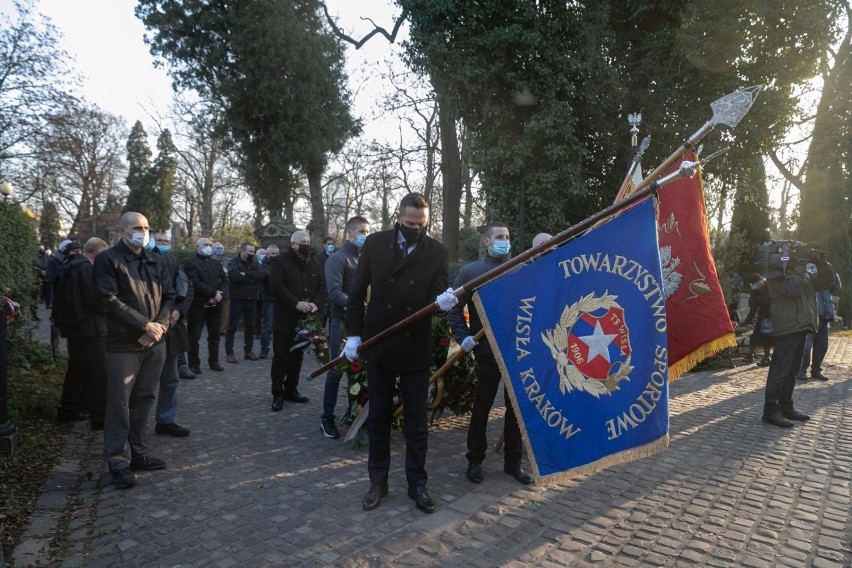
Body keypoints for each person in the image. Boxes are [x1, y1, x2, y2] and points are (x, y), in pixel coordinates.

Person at [343, 193, 457, 514]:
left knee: (417, 423)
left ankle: (417, 484)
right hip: (379, 343)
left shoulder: (437, 251)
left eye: (421, 224)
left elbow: (438, 295)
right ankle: (377, 481)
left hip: (413, 348)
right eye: (409, 223)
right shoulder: (376, 244)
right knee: (378, 418)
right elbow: (356, 293)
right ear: (398, 217)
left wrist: (443, 303)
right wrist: (353, 335)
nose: (415, 229)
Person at [94, 212, 175, 489]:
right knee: (119, 403)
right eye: (137, 228)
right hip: (123, 345)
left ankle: (138, 453)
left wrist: (157, 329)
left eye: (146, 228)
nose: (143, 232)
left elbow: (170, 297)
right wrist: (144, 326)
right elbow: (107, 300)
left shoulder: (155, 259)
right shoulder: (108, 260)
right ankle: (118, 461)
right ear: (122, 231)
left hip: (154, 343)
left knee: (144, 398)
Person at [448, 222, 532, 486]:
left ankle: (513, 462)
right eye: (499, 237)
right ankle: (474, 460)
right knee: (482, 407)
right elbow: (452, 308)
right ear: (486, 241)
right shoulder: (471, 272)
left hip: (517, 351)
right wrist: (463, 338)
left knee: (515, 409)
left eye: (507, 236)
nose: (504, 241)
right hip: (486, 351)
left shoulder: (520, 268)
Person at [762, 252, 834, 427]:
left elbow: (825, 283)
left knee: (792, 371)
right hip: (788, 329)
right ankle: (770, 411)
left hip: (801, 327)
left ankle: (786, 406)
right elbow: (792, 290)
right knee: (780, 371)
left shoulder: (802, 275)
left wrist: (823, 264)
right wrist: (801, 265)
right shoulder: (775, 275)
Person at [320, 216, 370, 439]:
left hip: (363, 322)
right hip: (342, 321)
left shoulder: (367, 258)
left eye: (368, 231)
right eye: (361, 231)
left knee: (357, 369)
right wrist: (357, 307)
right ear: (349, 234)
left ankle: (354, 413)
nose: (365, 235)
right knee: (336, 369)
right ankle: (327, 417)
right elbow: (334, 292)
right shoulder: (338, 259)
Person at [54, 237, 109, 429]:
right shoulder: (86, 268)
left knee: (77, 369)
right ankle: (97, 417)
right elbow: (94, 300)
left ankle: (70, 410)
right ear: (98, 252)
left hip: (76, 326)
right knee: (96, 372)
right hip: (90, 328)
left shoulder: (70, 264)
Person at [269, 231, 326, 410]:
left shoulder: (315, 262)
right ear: (293, 244)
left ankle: (291, 389)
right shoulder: (280, 261)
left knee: (297, 356)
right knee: (281, 356)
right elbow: (277, 286)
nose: (307, 244)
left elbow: (322, 288)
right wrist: (296, 303)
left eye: (308, 241)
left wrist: (316, 304)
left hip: (305, 319)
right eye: (303, 242)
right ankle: (277, 392)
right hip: (285, 318)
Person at [151, 232, 193, 438]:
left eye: (166, 241)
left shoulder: (173, 261)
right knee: (144, 383)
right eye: (159, 241)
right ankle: (133, 424)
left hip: (172, 327)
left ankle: (165, 420)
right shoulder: (142, 260)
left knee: (170, 378)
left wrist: (178, 311)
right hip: (147, 327)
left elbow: (186, 289)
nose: (163, 244)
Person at [184, 237, 229, 374]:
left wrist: (219, 295)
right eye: (205, 245)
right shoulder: (191, 263)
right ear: (197, 246)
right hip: (198, 304)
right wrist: (213, 293)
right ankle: (194, 364)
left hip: (216, 304)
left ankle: (214, 362)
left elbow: (225, 280)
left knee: (215, 335)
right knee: (194, 336)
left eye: (210, 245)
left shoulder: (216, 263)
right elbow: (195, 283)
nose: (208, 247)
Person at [797, 269, 842, 381]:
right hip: (810, 319)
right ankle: (801, 370)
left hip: (824, 318)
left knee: (822, 346)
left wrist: (832, 272)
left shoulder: (825, 283)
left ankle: (816, 370)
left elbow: (837, 287)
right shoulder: (808, 279)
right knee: (806, 347)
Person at [225, 242, 265, 363]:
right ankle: (229, 353)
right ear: (242, 251)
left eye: (253, 251)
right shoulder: (233, 262)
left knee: (250, 327)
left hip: (251, 299)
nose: (252, 254)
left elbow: (262, 275)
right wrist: (253, 279)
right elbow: (235, 277)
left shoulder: (254, 263)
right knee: (232, 327)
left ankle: (248, 351)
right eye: (249, 252)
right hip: (237, 299)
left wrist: (247, 274)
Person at [742, 274, 773, 366]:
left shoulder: (770, 288)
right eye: (752, 284)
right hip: (761, 317)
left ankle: (766, 357)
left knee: (767, 338)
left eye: (755, 283)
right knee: (754, 337)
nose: (754, 285)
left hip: (770, 318)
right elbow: (753, 308)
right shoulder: (755, 292)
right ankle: (750, 355)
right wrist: (746, 321)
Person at [257, 244, 279, 359]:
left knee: (279, 326)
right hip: (269, 299)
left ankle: (278, 349)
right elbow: (270, 279)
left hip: (280, 299)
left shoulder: (281, 264)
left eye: (276, 253)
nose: (275, 256)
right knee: (267, 326)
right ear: (268, 254)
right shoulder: (263, 266)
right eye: (273, 253)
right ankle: (264, 349)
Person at [213, 242, 231, 335]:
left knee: (225, 311)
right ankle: (214, 328)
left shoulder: (228, 260)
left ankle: (223, 329)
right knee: (215, 311)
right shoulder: (210, 259)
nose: (219, 249)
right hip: (213, 289)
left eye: (220, 247)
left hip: (225, 289)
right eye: (217, 248)